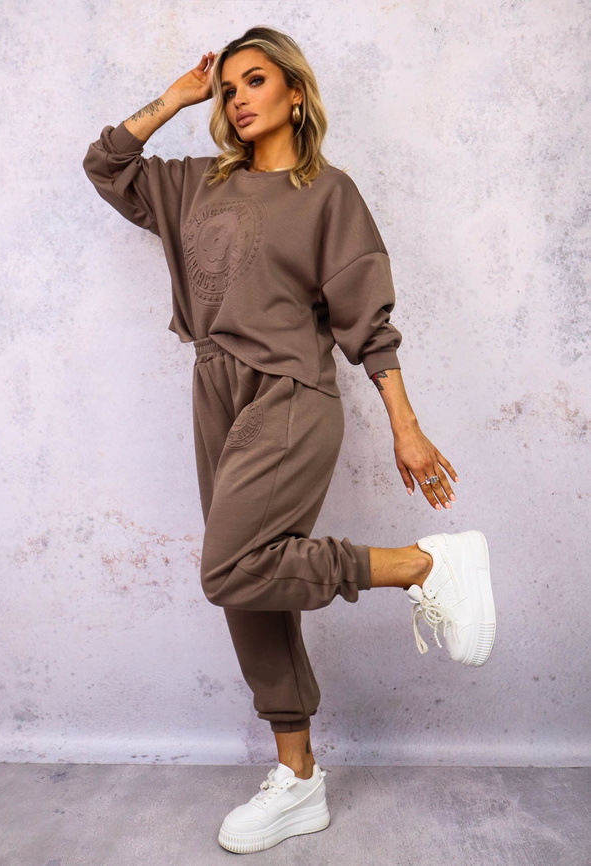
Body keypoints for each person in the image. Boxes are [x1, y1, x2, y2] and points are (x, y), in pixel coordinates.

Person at [83, 25, 496, 855]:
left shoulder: (327, 194)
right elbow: (106, 164)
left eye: (256, 80)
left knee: (228, 565)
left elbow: (366, 323)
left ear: (295, 94)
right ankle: (299, 779)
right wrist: (177, 96)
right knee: (249, 589)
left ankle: (423, 564)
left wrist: (406, 426)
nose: (238, 97)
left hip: (290, 392)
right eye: (229, 85)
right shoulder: (193, 185)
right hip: (215, 393)